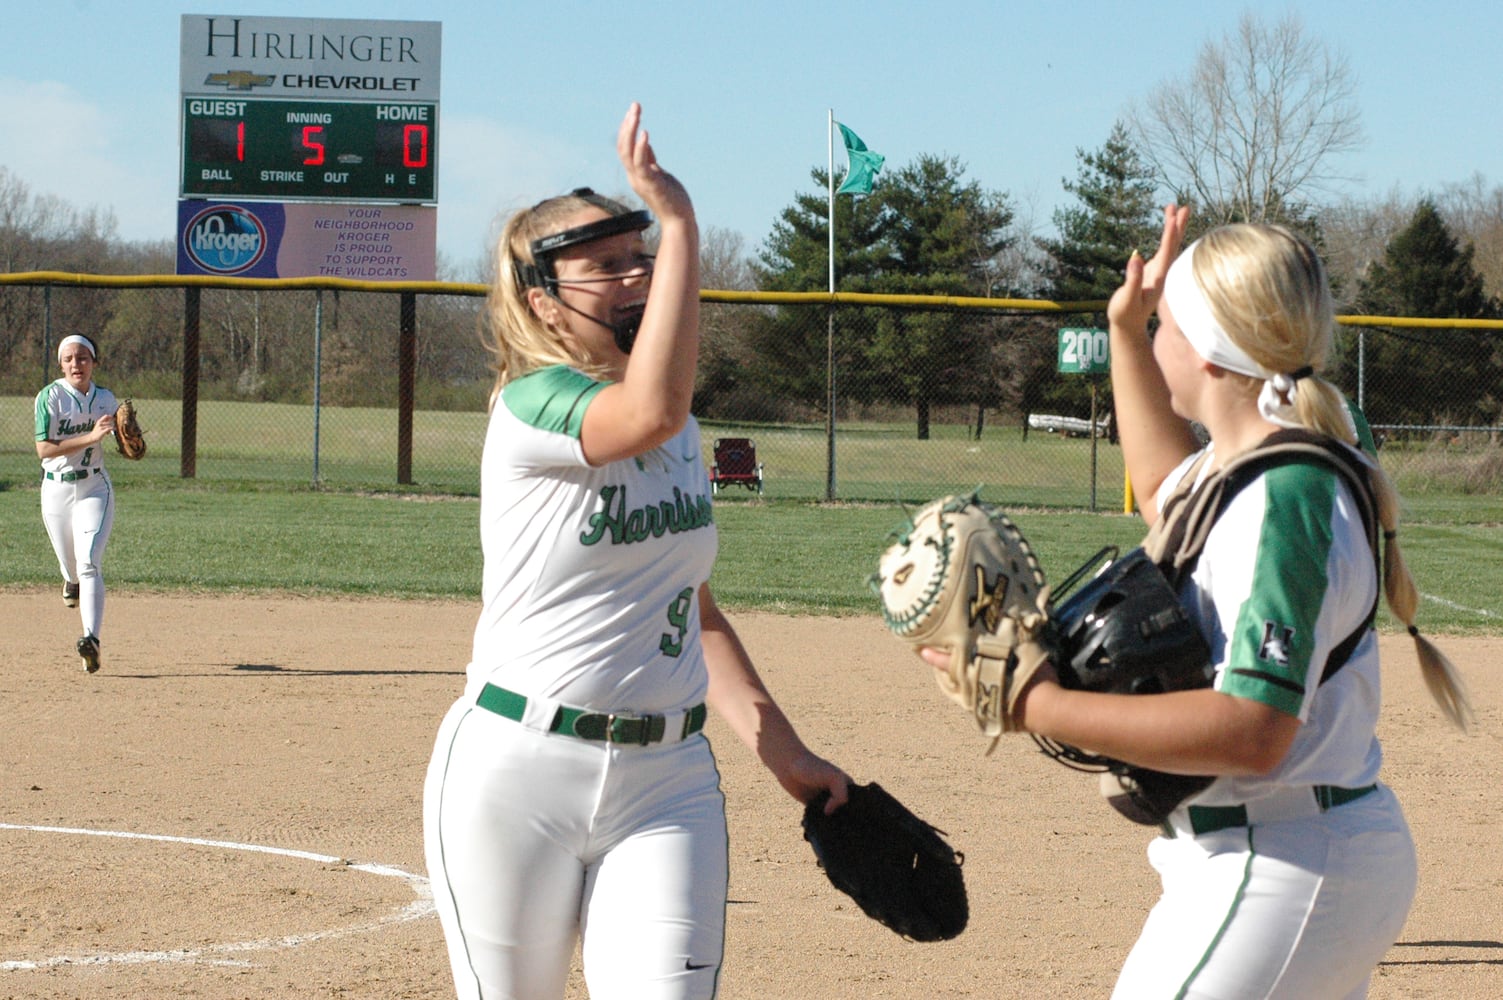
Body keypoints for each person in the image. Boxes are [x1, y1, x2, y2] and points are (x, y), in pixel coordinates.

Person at [962, 207, 1469, 998]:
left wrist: (1037, 706)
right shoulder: (1237, 470)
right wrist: (1128, 334)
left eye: (1166, 321)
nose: (1153, 332)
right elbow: (1166, 492)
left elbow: (1254, 730)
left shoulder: (1288, 497)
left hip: (1285, 857)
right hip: (1267, 852)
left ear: (1202, 351)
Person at [422, 103, 850, 1000]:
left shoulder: (680, 427)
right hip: (517, 774)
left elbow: (690, 605)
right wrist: (684, 220)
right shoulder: (532, 406)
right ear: (543, 297)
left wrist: (782, 748)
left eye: (640, 257)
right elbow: (645, 407)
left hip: (668, 784)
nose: (636, 274)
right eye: (607, 265)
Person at [34, 333, 120, 674]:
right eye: (69, 359)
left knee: (89, 562)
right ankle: (69, 580)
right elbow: (45, 449)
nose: (76, 364)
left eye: (83, 358)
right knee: (71, 568)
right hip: (55, 490)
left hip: (93, 487)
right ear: (60, 365)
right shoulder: (50, 397)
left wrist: (130, 437)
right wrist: (91, 436)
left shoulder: (105, 399)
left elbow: (125, 441)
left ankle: (91, 639)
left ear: (94, 362)